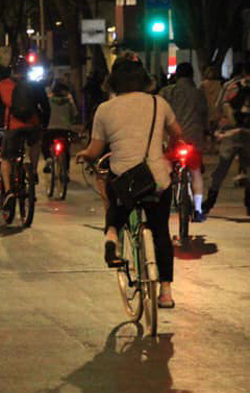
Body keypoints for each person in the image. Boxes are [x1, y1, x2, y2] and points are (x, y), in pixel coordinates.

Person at [76, 59, 182, 308]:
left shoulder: (104, 109)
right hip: (158, 179)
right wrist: (171, 150)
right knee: (161, 233)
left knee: (116, 204)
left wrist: (84, 156)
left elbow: (95, 149)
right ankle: (165, 292)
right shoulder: (159, 103)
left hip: (125, 179)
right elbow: (177, 132)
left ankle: (112, 236)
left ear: (112, 83)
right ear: (145, 80)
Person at [0, 56, 50, 212]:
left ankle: (9, 192)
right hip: (33, 126)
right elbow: (46, 106)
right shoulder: (36, 85)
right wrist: (44, 125)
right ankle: (32, 170)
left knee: (6, 158)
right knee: (35, 143)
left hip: (13, 127)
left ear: (12, 70)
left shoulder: (3, 85)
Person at [203, 62, 250, 217]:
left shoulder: (231, 86)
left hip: (231, 132)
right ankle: (249, 202)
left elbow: (220, 106)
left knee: (222, 168)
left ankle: (209, 202)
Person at [159, 62, 209, 221]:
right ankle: (199, 209)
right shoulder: (199, 93)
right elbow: (204, 115)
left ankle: (162, 204)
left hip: (173, 139)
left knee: (165, 167)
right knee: (195, 172)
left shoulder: (167, 92)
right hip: (194, 139)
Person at [42, 80, 78, 172]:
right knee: (66, 150)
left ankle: (48, 158)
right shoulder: (69, 101)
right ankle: (65, 172)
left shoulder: (49, 100)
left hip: (50, 128)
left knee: (45, 143)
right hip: (65, 129)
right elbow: (74, 114)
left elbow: (44, 112)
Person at [199, 65, 224, 134]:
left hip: (207, 111)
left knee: (207, 131)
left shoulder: (202, 85)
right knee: (216, 131)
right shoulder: (220, 84)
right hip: (217, 111)